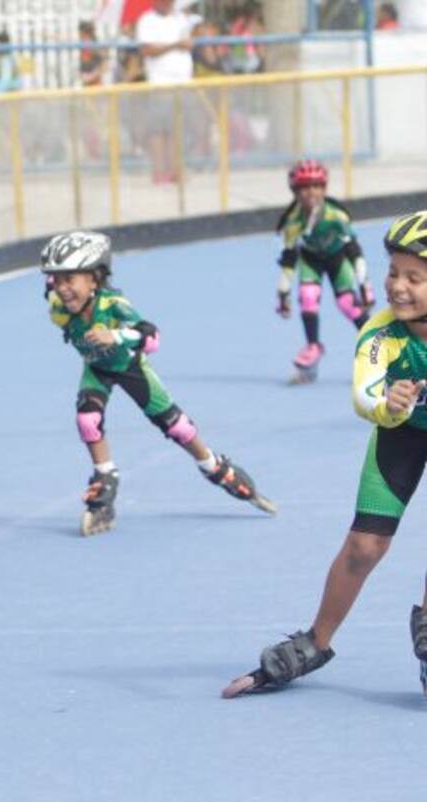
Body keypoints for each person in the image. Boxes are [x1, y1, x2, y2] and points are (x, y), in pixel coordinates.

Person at [223, 212, 427, 699]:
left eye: (414, 278)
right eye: (394, 273)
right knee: (363, 549)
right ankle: (315, 641)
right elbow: (364, 396)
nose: (397, 286)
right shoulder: (380, 334)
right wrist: (388, 404)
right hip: (400, 433)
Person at [40, 230, 276, 536]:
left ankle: (212, 464)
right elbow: (53, 292)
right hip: (97, 369)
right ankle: (104, 476)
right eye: (56, 281)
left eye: (69, 279)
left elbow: (151, 337)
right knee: (87, 420)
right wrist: (59, 285)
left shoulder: (113, 305)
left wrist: (116, 335)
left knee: (177, 428)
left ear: (95, 279)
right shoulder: (59, 306)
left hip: (129, 367)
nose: (62, 289)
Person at [276, 160, 373, 384]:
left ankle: (378, 345)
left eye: (316, 186)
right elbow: (289, 260)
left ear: (324, 188)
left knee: (348, 305)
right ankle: (312, 349)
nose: (311, 192)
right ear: (295, 191)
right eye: (304, 187)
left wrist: (365, 286)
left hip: (337, 259)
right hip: (311, 260)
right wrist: (283, 293)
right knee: (308, 298)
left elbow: (354, 250)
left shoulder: (336, 215)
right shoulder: (292, 222)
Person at [135, 0, 194, 184]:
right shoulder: (147, 21)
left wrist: (186, 42)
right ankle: (159, 171)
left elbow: (187, 43)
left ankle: (175, 169)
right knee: (158, 131)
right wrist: (175, 45)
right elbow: (147, 49)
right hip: (161, 84)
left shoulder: (180, 19)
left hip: (182, 83)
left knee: (176, 130)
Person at [78, 22, 105, 87]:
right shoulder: (83, 47)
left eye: (82, 34)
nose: (80, 37)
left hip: (96, 84)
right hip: (87, 84)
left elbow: (103, 66)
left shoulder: (96, 47)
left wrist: (91, 76)